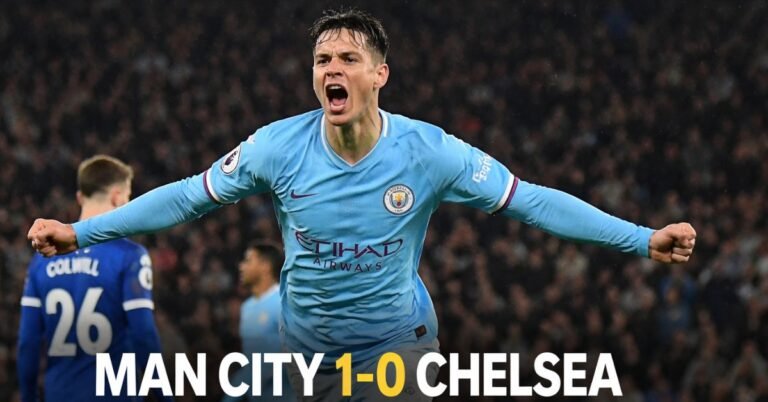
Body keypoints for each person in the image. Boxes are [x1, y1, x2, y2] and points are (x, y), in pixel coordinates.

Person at [27, 9, 696, 401]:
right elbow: (185, 197)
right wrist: (82, 233)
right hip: (306, 354)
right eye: (322, 59)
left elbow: (533, 202)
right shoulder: (275, 148)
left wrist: (642, 238)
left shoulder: (430, 153)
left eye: (348, 57)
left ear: (379, 75)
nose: (331, 69)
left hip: (395, 346)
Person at [18, 155, 172, 402]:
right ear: (117, 197)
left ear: (80, 197)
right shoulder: (130, 256)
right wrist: (164, 398)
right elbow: (143, 334)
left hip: (60, 394)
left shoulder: (41, 262)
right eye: (128, 196)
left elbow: (28, 342)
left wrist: (28, 397)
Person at [223, 241, 296, 402]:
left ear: (265, 266)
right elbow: (251, 363)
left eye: (248, 261)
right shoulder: (247, 308)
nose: (241, 266)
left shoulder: (282, 303)